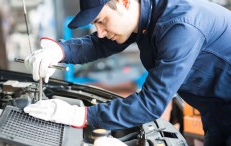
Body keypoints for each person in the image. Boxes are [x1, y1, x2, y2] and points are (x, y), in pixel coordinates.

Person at [23, 0, 231, 145]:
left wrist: (81, 115)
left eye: (102, 20)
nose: (101, 31)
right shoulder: (147, 14)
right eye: (96, 24)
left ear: (124, 2)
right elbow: (100, 44)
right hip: (216, 110)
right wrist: (59, 51)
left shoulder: (179, 28)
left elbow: (151, 104)